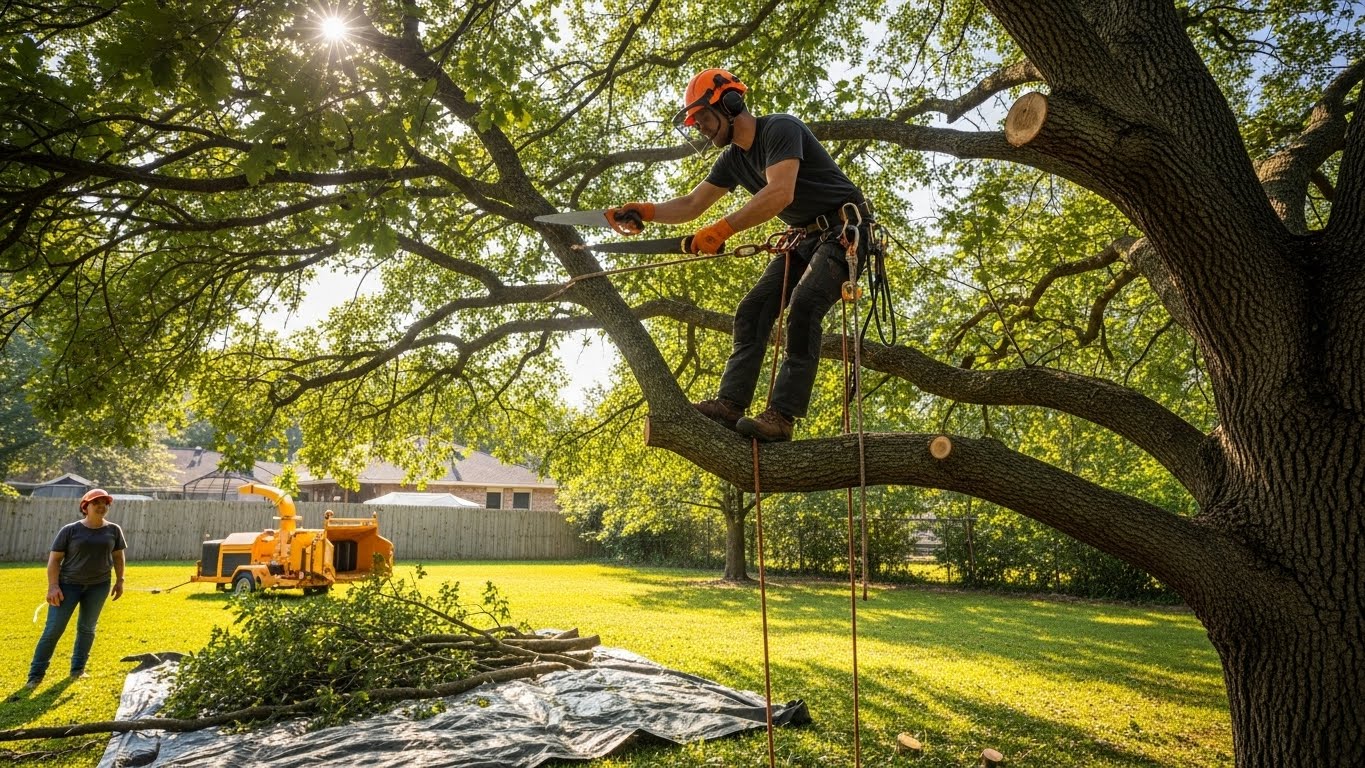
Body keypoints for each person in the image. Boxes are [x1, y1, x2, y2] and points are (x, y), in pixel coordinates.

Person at [608, 68, 875, 442]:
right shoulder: (733, 160)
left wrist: (723, 229)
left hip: (845, 232)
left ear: (730, 104)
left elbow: (780, 193)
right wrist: (647, 212)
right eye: (695, 121)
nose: (699, 126)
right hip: (804, 238)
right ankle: (730, 404)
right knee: (753, 310)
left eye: (702, 117)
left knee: (804, 306)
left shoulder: (780, 129)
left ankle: (781, 417)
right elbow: (692, 204)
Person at [22, 488, 126, 689]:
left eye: (105, 502)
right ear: (85, 506)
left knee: (87, 628)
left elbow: (118, 557)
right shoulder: (70, 530)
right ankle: (35, 675)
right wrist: (53, 587)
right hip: (67, 586)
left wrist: (120, 580)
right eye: (96, 502)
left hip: (99, 586)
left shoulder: (113, 530)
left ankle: (78, 669)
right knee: (54, 629)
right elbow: (54, 561)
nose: (101, 506)